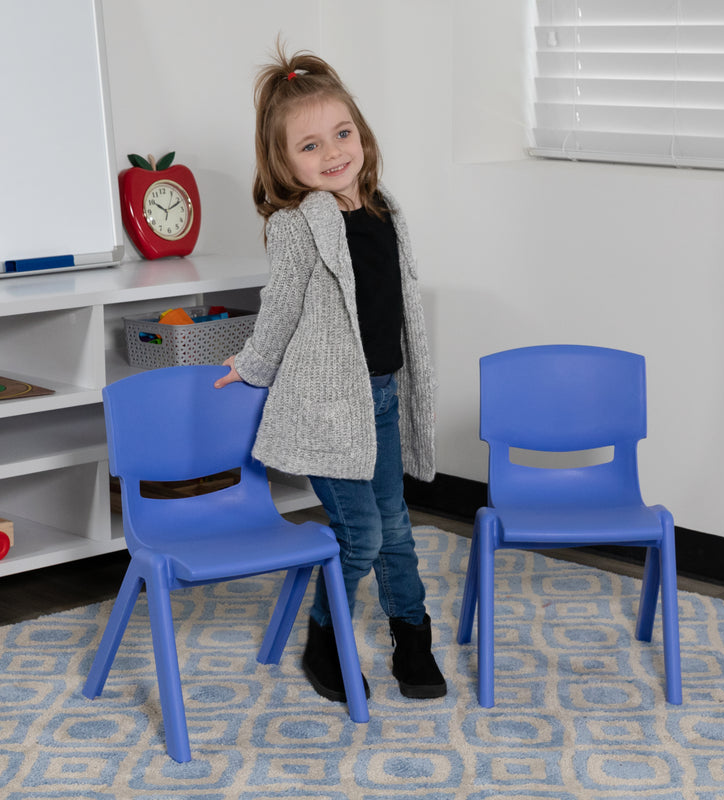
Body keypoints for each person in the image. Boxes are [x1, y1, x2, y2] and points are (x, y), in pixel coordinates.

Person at [214, 44, 445, 702]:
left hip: (383, 394)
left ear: (361, 134)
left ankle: (412, 631)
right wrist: (252, 364)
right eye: (310, 146)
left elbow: (395, 303)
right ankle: (325, 635)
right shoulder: (297, 226)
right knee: (361, 532)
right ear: (284, 162)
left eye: (342, 134)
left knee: (397, 526)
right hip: (326, 407)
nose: (334, 152)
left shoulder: (384, 209)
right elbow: (281, 308)